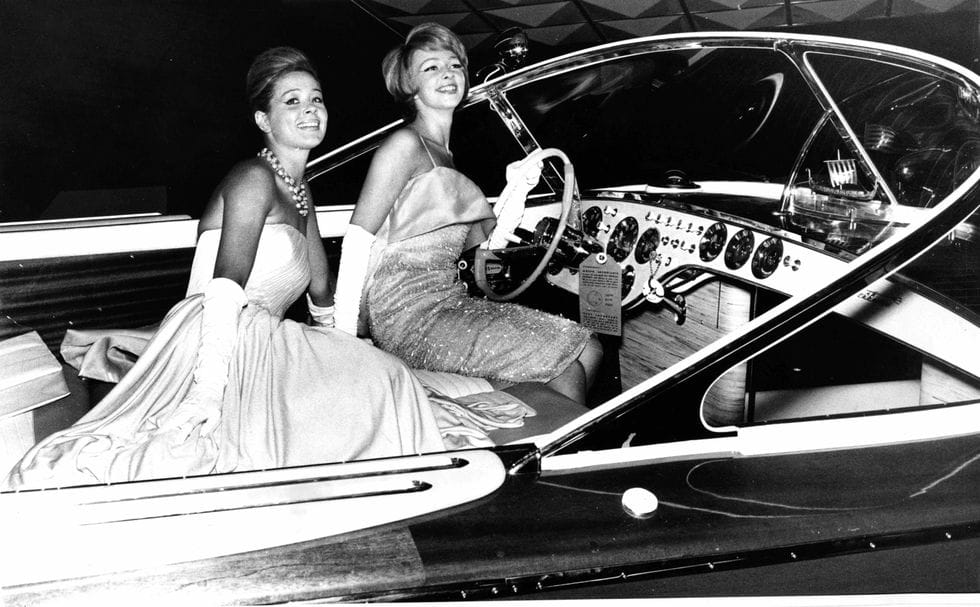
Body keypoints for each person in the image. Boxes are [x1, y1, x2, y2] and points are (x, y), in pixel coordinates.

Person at [5, 47, 492, 491]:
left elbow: (322, 298)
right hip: (217, 336)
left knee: (380, 376)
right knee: (372, 385)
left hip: (266, 338)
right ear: (263, 118)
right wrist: (207, 393)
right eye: (292, 102)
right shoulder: (252, 179)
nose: (310, 111)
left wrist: (346, 347)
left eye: (316, 99)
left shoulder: (301, 193)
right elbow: (222, 290)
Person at [332, 23, 602, 406]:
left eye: (454, 65)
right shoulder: (405, 144)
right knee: (565, 366)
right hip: (407, 317)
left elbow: (484, 250)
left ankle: (537, 431)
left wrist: (514, 198)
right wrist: (343, 343)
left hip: (448, 301)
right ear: (410, 86)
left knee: (589, 348)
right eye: (431, 68)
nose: (447, 74)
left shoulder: (447, 158)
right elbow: (357, 240)